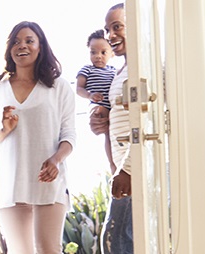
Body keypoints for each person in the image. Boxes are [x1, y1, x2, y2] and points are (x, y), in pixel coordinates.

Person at [0, 21, 76, 254]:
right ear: (9, 49)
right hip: (11, 182)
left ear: (41, 47)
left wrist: (56, 160)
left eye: (29, 40)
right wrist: (5, 130)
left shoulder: (58, 87)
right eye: (16, 42)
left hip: (48, 181)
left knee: (48, 248)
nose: (22, 46)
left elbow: (69, 135)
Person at [90, 3, 135, 254]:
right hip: (125, 170)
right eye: (108, 29)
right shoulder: (121, 72)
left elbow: (148, 122)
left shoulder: (146, 68)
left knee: (115, 241)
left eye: (117, 27)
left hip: (135, 172)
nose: (110, 35)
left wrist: (127, 170)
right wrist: (103, 121)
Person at [76, 29, 119, 178]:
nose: (97, 56)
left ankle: (114, 163)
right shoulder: (87, 69)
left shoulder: (114, 71)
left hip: (111, 106)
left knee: (110, 135)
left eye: (103, 52)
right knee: (100, 113)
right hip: (96, 104)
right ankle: (112, 164)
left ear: (112, 53)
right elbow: (79, 89)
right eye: (93, 52)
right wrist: (90, 95)